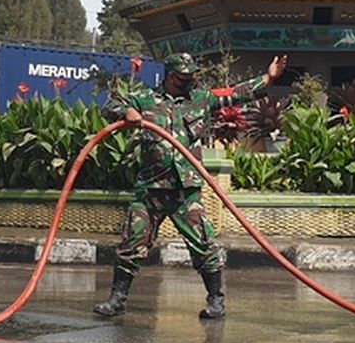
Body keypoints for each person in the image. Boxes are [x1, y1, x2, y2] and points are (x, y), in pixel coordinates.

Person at [93, 51, 288, 319]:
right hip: (151, 188)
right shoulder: (145, 99)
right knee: (132, 242)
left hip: (186, 189)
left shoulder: (201, 99)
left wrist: (267, 78)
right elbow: (109, 105)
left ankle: (216, 300)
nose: (190, 81)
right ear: (172, 76)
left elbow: (237, 93)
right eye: (185, 77)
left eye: (192, 76)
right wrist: (127, 111)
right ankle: (117, 299)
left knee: (203, 245)